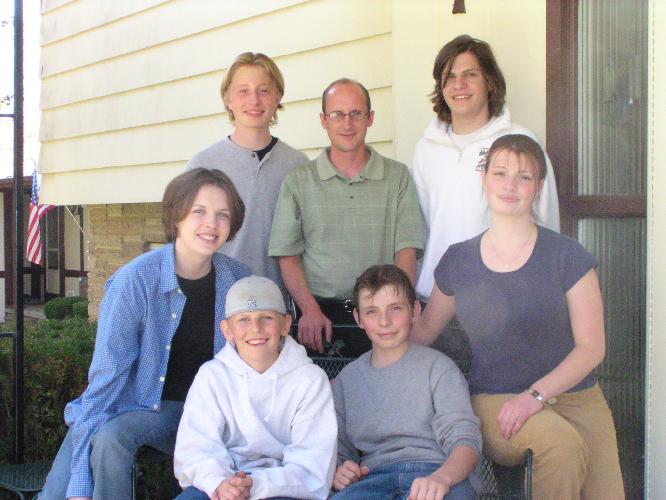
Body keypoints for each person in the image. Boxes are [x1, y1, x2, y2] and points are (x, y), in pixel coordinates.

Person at [410, 134, 624, 499]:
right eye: (501, 173)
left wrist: (535, 397)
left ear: (538, 187)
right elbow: (425, 332)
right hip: (496, 398)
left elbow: (591, 348)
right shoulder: (459, 260)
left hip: (576, 396)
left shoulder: (567, 256)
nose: (510, 185)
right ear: (484, 179)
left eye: (524, 177)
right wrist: (375, 337)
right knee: (562, 447)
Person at [38, 168, 250, 500]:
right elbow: (107, 379)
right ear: (176, 216)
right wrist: (79, 481)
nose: (212, 223)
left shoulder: (239, 282)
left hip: (207, 414)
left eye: (223, 214)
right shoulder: (134, 282)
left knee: (109, 437)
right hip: (133, 404)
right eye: (199, 211)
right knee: (65, 485)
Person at [269, 78, 424, 356]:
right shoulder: (299, 181)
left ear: (370, 118)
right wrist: (310, 310)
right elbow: (287, 256)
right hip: (320, 317)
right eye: (337, 114)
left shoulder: (397, 177)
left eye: (356, 114)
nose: (347, 123)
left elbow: (407, 250)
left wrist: (400, 309)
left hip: (381, 317)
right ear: (323, 120)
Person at [411, 34, 560, 301]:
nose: (460, 85)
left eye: (470, 75)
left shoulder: (521, 142)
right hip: (436, 296)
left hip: (501, 299)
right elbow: (423, 226)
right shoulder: (426, 149)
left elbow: (546, 220)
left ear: (489, 82)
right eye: (450, 76)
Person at [173, 276, 337, 500]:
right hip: (223, 484)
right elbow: (195, 447)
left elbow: (313, 464)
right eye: (243, 320)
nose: (256, 328)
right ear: (227, 329)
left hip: (284, 488)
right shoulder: (212, 376)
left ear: (286, 324)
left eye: (266, 317)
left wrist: (255, 485)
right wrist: (220, 483)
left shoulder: (310, 380)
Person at [331, 264, 480, 500]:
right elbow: (338, 449)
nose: (384, 322)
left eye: (395, 309)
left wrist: (443, 478)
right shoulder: (346, 381)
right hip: (371, 480)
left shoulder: (439, 369)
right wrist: (339, 470)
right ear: (359, 318)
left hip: (434, 473)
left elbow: (465, 442)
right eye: (372, 312)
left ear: (415, 311)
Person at [188, 52, 307, 293]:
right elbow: (186, 243)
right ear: (227, 98)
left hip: (279, 305)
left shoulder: (299, 166)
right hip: (218, 301)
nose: (254, 100)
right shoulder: (203, 166)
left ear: (278, 96)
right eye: (243, 90)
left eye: (264, 90)